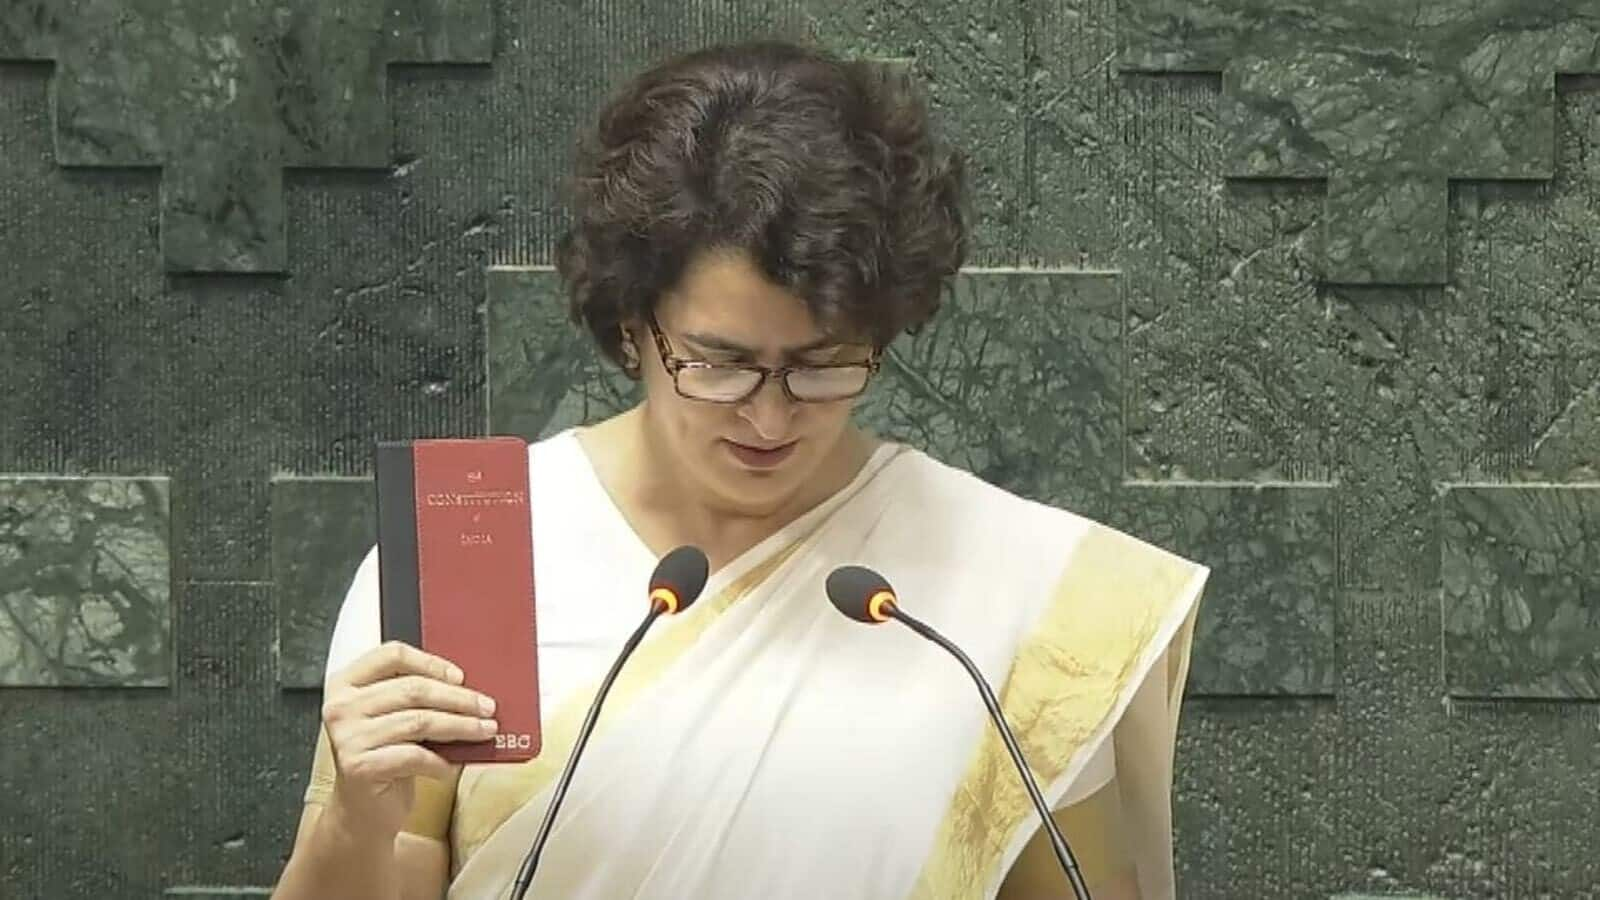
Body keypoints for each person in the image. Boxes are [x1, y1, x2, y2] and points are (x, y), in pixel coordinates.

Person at [271, 40, 1208, 900]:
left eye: (822, 365)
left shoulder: (1018, 593)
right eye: (718, 364)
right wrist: (356, 814)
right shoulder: (474, 548)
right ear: (633, 326)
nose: (769, 415)